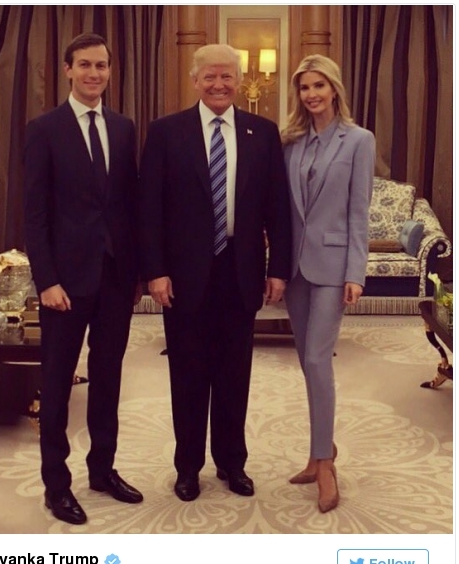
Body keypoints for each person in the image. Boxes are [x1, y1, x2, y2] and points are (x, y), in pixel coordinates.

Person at [138, 44, 291, 501]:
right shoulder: (166, 132)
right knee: (187, 375)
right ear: (195, 80)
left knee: (233, 376)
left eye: (227, 76)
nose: (219, 85)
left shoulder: (263, 132)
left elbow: (277, 207)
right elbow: (150, 210)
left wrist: (278, 269)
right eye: (209, 77)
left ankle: (231, 463)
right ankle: (188, 467)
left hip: (240, 273)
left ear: (239, 81)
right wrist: (155, 271)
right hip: (183, 277)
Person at [24, 33, 143, 525]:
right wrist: (46, 280)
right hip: (65, 285)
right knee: (56, 385)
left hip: (115, 278)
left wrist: (136, 272)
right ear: (68, 70)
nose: (94, 73)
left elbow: (128, 205)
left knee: (108, 378)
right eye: (85, 65)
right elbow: (34, 214)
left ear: (110, 71)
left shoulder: (123, 127)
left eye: (102, 66)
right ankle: (56, 485)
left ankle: (102, 470)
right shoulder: (44, 129)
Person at [281, 55, 376, 513]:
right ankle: (321, 449)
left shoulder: (358, 140)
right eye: (304, 88)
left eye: (319, 85)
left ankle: (325, 464)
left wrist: (356, 272)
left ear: (334, 89)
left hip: (334, 267)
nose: (312, 94)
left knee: (319, 359)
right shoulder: (290, 142)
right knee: (308, 363)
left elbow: (359, 210)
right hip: (295, 269)